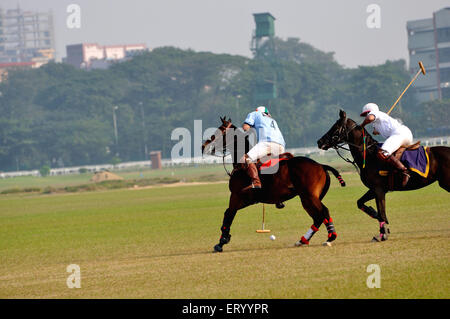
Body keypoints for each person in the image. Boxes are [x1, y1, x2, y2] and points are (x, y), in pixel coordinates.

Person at [360, 102, 413, 186]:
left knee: (382, 152)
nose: (366, 116)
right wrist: (376, 131)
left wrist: (362, 125)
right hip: (405, 134)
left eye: (366, 114)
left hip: (399, 134)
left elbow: (370, 118)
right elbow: (376, 131)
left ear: (370, 111)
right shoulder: (378, 121)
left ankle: (404, 171)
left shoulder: (375, 113)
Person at [240, 106, 286, 191]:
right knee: (268, 167)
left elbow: (245, 127)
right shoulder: (273, 120)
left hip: (266, 143)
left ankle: (256, 182)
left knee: (246, 158)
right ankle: (277, 198)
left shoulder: (254, 114)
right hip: (281, 146)